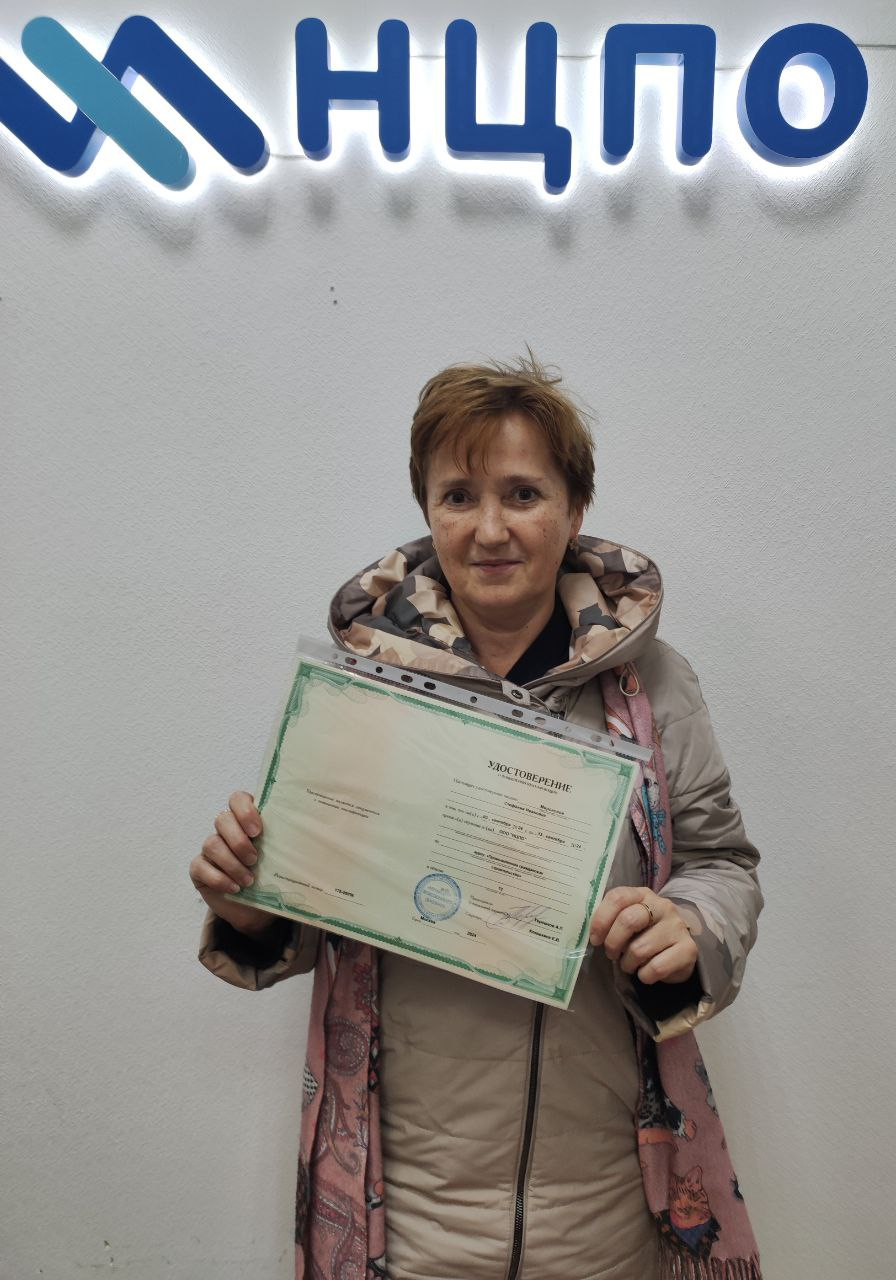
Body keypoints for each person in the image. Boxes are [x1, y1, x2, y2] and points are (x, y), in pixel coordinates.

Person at [190, 356, 764, 1280]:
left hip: (607, 1208)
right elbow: (317, 890)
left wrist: (689, 929)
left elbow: (720, 861)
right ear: (428, 510)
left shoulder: (652, 686)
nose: (490, 529)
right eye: (458, 496)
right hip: (404, 1219)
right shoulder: (365, 690)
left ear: (575, 510)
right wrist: (250, 905)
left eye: (523, 493)